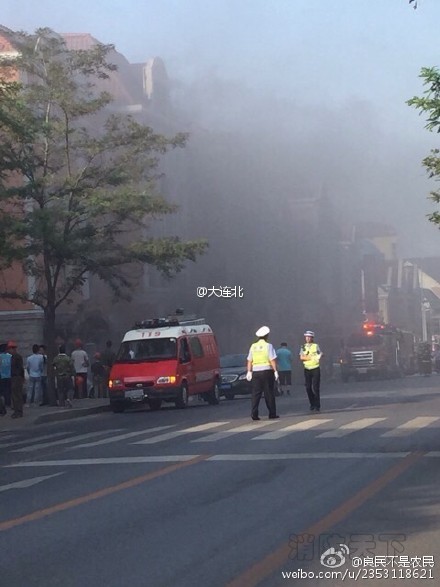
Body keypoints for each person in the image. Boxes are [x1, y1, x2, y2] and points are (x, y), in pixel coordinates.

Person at [246, 325, 279, 420]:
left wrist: (249, 371)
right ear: (267, 336)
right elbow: (272, 359)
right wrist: (275, 371)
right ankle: (272, 413)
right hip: (267, 371)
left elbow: (249, 360)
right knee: (269, 393)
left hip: (256, 372)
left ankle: (254, 414)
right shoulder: (268, 346)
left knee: (256, 394)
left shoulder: (253, 346)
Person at [299, 330, 323, 412]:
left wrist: (320, 355)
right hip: (307, 369)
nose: (307, 338)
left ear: (312, 338)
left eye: (309, 337)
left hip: (315, 368)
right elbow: (301, 357)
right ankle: (312, 403)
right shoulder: (303, 346)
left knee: (316, 387)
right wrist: (311, 357)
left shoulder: (316, 346)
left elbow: (320, 354)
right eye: (306, 337)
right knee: (308, 387)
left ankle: (317, 405)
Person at [8, 341, 25, 419]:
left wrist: (21, 377)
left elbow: (20, 368)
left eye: (10, 349)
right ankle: (18, 411)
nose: (9, 350)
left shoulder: (16, 357)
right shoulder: (14, 357)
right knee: (16, 395)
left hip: (16, 377)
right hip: (15, 377)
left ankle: (18, 411)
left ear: (13, 349)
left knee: (16, 395)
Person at [0, 343, 12, 415]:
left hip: (1, 376)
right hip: (10, 376)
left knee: (2, 392)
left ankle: (4, 405)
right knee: (9, 391)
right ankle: (8, 403)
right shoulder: (10, 356)